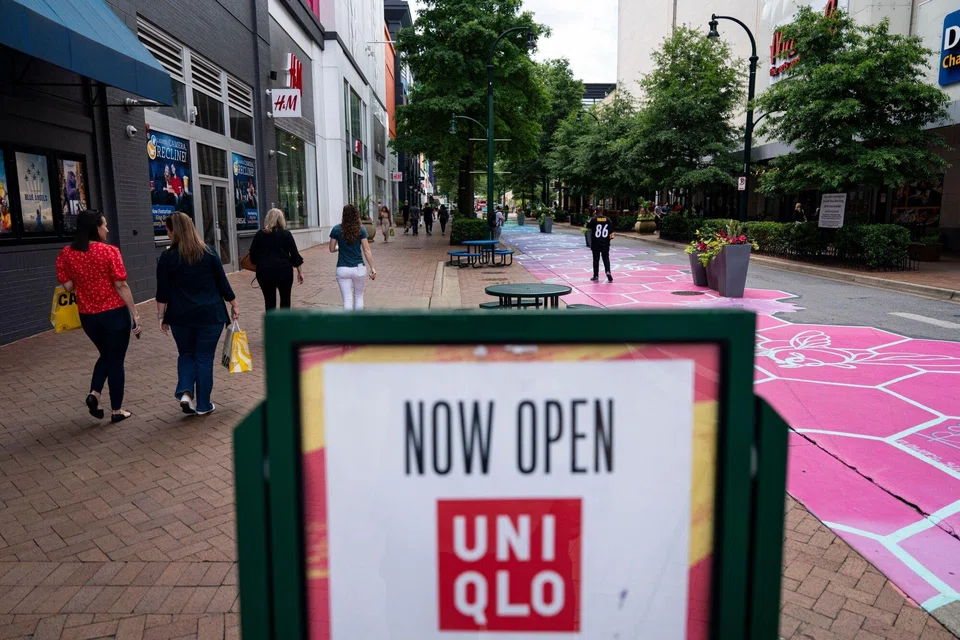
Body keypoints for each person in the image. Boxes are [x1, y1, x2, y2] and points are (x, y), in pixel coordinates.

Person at [56, 209, 141, 423]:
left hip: (88, 317)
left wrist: (82, 277)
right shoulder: (110, 252)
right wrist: (135, 313)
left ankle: (94, 394)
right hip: (114, 314)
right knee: (116, 360)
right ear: (96, 228)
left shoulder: (66, 253)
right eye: (104, 225)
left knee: (106, 354)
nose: (107, 229)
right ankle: (117, 410)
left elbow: (67, 286)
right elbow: (120, 284)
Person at [156, 212, 239, 416]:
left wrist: (161, 317)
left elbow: (162, 292)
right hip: (210, 315)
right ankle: (203, 405)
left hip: (180, 317)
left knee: (186, 354)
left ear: (173, 231)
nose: (167, 235)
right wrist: (234, 304)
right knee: (204, 358)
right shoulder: (209, 252)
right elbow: (222, 283)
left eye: (167, 230)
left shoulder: (167, 257)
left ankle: (185, 392)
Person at [249, 208, 305, 310]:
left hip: (265, 272)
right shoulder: (286, 234)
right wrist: (300, 272)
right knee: (285, 300)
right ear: (281, 220)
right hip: (284, 271)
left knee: (269, 302)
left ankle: (272, 325)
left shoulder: (259, 235)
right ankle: (283, 324)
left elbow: (252, 256)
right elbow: (295, 255)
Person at [329, 204, 377, 310]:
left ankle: (348, 324)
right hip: (359, 268)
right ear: (356, 215)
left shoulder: (336, 229)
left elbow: (331, 249)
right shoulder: (361, 229)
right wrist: (372, 268)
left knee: (347, 299)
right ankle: (358, 323)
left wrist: (339, 247)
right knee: (359, 296)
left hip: (342, 268)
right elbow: (366, 250)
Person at [586, 207, 614, 283]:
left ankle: (596, 275)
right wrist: (609, 240)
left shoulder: (593, 219)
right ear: (602, 211)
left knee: (596, 259)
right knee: (606, 258)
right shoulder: (608, 220)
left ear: (596, 211)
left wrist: (593, 216)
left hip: (596, 242)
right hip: (605, 242)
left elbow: (587, 226)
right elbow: (611, 232)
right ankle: (608, 271)